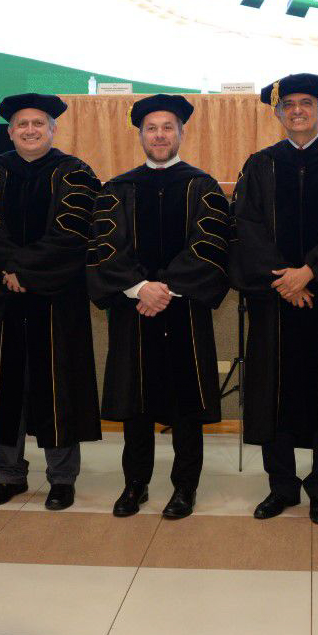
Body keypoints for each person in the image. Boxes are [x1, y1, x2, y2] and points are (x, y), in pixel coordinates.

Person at [230, 73, 318, 525]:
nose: (297, 110)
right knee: (271, 391)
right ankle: (281, 486)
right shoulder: (260, 164)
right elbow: (245, 226)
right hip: (274, 301)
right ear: (278, 112)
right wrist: (284, 281)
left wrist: (310, 272)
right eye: (289, 104)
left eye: (306, 103)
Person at [88, 94, 231, 519]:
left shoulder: (202, 187)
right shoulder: (118, 189)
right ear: (140, 135)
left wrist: (164, 288)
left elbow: (210, 244)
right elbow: (105, 246)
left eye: (168, 127)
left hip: (184, 310)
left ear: (182, 133)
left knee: (187, 406)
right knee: (135, 403)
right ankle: (135, 484)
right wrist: (138, 287)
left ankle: (185, 487)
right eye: (151, 128)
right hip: (133, 310)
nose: (160, 135)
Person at [0, 93, 102, 512]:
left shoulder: (75, 172)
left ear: (53, 129)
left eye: (38, 123)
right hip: (3, 299)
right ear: (10, 131)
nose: (30, 130)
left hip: (57, 301)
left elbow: (73, 233)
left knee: (58, 386)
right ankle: (7, 474)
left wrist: (22, 270)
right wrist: (9, 270)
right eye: (22, 124)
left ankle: (62, 477)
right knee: (5, 385)